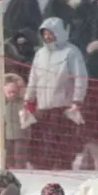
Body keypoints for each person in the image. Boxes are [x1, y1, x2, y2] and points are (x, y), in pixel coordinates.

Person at [23, 19, 88, 170]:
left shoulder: (71, 52)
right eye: (45, 33)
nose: (47, 36)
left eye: (50, 33)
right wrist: (29, 98)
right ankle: (44, 166)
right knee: (43, 139)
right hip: (43, 106)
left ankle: (63, 164)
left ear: (58, 33)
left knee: (62, 140)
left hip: (63, 106)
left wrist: (77, 99)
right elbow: (33, 77)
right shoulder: (40, 54)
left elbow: (80, 77)